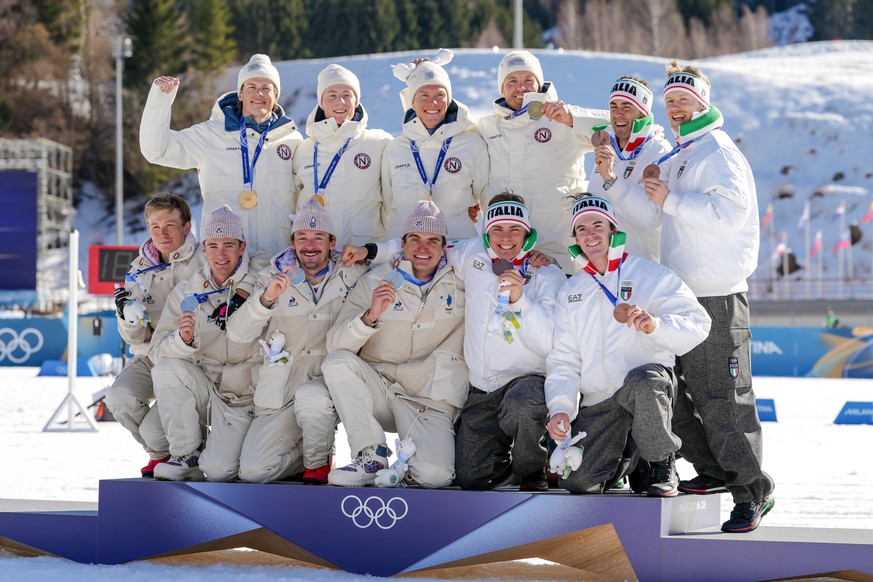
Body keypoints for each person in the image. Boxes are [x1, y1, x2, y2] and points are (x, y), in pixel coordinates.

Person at [345, 194, 564, 491]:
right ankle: (505, 463)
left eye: (515, 230)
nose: (506, 238)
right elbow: (423, 245)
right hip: (482, 387)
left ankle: (532, 468)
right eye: (497, 229)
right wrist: (373, 251)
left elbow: (548, 341)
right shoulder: (472, 254)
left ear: (528, 235)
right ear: (486, 233)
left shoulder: (546, 273)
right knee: (470, 477)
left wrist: (519, 300)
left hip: (525, 381)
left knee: (524, 404)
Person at [642, 62, 775, 532]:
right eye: (670, 101)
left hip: (717, 295)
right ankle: (717, 470)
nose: (676, 108)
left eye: (684, 100)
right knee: (675, 393)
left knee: (723, 399)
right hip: (683, 293)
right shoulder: (686, 150)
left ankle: (752, 491)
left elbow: (728, 216)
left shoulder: (718, 151)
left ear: (703, 102)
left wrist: (670, 200)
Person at [545, 195, 711, 496]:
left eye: (598, 225)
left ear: (613, 230)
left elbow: (699, 323)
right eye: (581, 229)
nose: (590, 234)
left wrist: (656, 326)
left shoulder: (651, 274)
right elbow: (564, 359)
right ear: (576, 239)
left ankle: (662, 462)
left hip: (644, 387)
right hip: (600, 399)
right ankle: (627, 456)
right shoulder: (572, 290)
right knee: (579, 483)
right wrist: (560, 408)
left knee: (643, 380)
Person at [321, 201, 467, 487]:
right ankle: (371, 455)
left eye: (432, 241)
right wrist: (371, 315)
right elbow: (335, 344)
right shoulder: (375, 280)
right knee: (337, 363)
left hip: (429, 400)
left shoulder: (463, 281)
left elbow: (501, 250)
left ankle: (406, 468)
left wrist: (536, 259)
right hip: (382, 391)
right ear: (403, 244)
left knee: (435, 477)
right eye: (415, 239)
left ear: (444, 246)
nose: (423, 248)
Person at [225, 199, 368, 484]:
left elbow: (405, 256)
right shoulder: (269, 275)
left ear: (332, 241)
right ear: (292, 242)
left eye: (318, 237)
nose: (310, 245)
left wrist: (369, 250)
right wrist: (266, 299)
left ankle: (319, 461)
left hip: (330, 389)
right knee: (253, 471)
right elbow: (237, 333)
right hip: (283, 390)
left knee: (313, 398)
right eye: (302, 237)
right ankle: (303, 455)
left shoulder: (354, 274)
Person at [140, 54, 303, 255]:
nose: (258, 93)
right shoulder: (211, 134)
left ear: (276, 97)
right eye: (251, 87)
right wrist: (160, 101)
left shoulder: (292, 140)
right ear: (240, 94)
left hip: (277, 258)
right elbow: (157, 150)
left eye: (266, 88)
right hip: (225, 262)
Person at [149, 205, 266, 481]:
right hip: (206, 385)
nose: (220, 254)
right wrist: (183, 341)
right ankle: (186, 454)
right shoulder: (187, 291)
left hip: (244, 393)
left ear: (242, 247)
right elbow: (157, 351)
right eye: (213, 246)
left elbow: (279, 266)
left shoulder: (262, 276)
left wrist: (244, 290)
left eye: (228, 245)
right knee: (166, 368)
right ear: (203, 249)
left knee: (219, 470)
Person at [475, 50, 609, 271]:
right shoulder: (487, 127)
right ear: (501, 88)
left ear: (539, 84)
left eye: (529, 80)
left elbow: (623, 125)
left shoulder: (562, 117)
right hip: (503, 255)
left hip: (558, 253)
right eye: (512, 81)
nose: (521, 88)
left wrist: (573, 119)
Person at [105, 193, 204, 477]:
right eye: (155, 226)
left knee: (152, 427)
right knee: (120, 398)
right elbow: (135, 338)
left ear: (187, 227)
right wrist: (126, 315)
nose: (162, 233)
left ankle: (189, 449)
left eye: (170, 225)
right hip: (153, 356)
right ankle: (160, 453)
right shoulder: (138, 270)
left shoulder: (205, 258)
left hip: (192, 358)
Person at [383, 52, 489, 240]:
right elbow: (385, 207)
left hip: (458, 247)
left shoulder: (472, 144)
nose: (433, 102)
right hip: (404, 250)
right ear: (412, 101)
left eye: (440, 95)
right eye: (424, 95)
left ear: (449, 100)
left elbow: (488, 199)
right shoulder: (395, 149)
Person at [293, 64, 393, 247]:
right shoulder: (303, 150)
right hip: (315, 256)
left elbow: (392, 203)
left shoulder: (379, 143)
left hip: (362, 255)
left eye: (347, 95)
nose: (340, 101)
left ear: (356, 101)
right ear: (321, 102)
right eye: (332, 95)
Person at [588, 76, 673, 262]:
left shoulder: (660, 152)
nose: (618, 114)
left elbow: (649, 219)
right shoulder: (607, 147)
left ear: (642, 112)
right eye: (613, 107)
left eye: (627, 107)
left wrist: (611, 180)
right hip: (602, 268)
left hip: (642, 270)